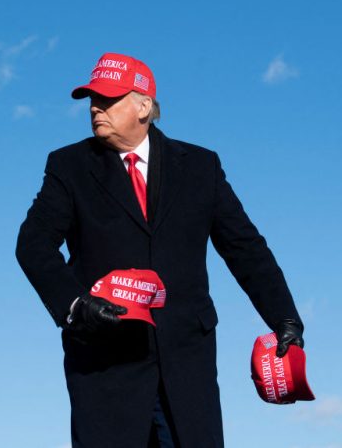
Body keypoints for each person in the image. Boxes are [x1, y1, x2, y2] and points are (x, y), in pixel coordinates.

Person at [16, 52, 305, 447]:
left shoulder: (201, 167)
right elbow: (33, 245)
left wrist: (284, 317)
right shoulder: (67, 166)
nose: (96, 108)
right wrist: (76, 305)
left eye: (109, 98)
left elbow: (245, 247)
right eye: (92, 99)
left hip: (187, 365)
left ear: (144, 106)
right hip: (104, 365)